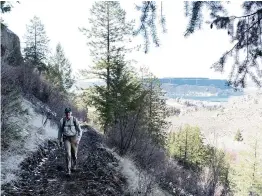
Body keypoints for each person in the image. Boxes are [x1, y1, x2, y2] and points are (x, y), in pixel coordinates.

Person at [58, 108, 82, 175]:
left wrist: (78, 139)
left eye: (69, 113)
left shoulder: (74, 120)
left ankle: (74, 165)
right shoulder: (62, 121)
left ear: (71, 113)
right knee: (68, 153)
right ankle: (68, 170)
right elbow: (60, 131)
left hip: (74, 138)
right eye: (66, 113)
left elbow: (80, 131)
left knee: (74, 154)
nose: (67, 115)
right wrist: (59, 140)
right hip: (66, 139)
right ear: (65, 113)